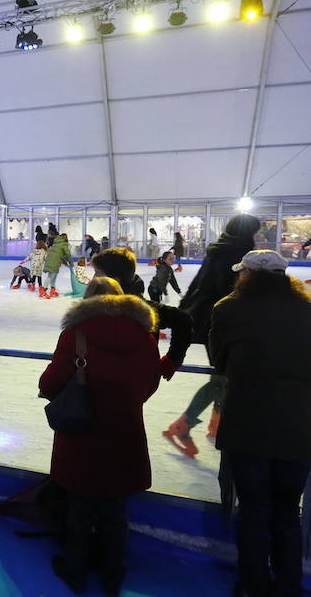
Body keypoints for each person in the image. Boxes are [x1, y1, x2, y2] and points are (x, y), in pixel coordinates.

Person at [39, 279, 162, 596]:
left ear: (87, 300)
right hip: (124, 429)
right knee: (115, 508)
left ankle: (75, 571)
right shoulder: (144, 334)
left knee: (79, 505)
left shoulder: (76, 333)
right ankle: (113, 574)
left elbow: (51, 382)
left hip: (83, 431)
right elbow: (150, 381)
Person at [207, 250, 311, 597]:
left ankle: (254, 585)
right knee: (287, 512)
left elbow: (219, 361)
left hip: (248, 423)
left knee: (253, 509)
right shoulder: (307, 310)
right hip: (299, 426)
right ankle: (289, 586)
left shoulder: (229, 309)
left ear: (246, 275)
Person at [163, 214, 261, 457]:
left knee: (223, 375)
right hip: (222, 321)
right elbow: (224, 287)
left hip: (208, 317)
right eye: (256, 232)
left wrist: (185, 310)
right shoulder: (237, 251)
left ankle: (214, 423)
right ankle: (184, 425)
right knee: (221, 376)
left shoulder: (218, 249)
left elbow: (199, 281)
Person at [91, 248, 193, 385]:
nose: (93, 279)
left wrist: (173, 359)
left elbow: (183, 320)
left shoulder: (144, 311)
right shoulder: (97, 308)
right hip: (132, 387)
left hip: (122, 386)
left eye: (97, 274)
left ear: (114, 280)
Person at [43, 233, 72, 299]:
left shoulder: (55, 244)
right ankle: (43, 291)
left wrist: (65, 263)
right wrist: (71, 263)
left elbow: (61, 256)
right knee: (51, 276)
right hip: (54, 262)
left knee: (53, 276)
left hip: (53, 261)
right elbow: (68, 255)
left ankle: (52, 290)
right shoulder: (63, 245)